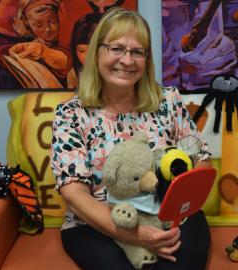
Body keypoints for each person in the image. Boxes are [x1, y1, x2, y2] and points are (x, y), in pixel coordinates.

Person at [51, 7, 212, 270]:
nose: (127, 61)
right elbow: (74, 194)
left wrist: (173, 214)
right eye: (116, 49)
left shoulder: (168, 101)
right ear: (97, 53)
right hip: (96, 225)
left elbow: (202, 163)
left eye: (137, 52)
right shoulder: (70, 114)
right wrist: (137, 235)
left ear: (146, 60)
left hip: (169, 218)